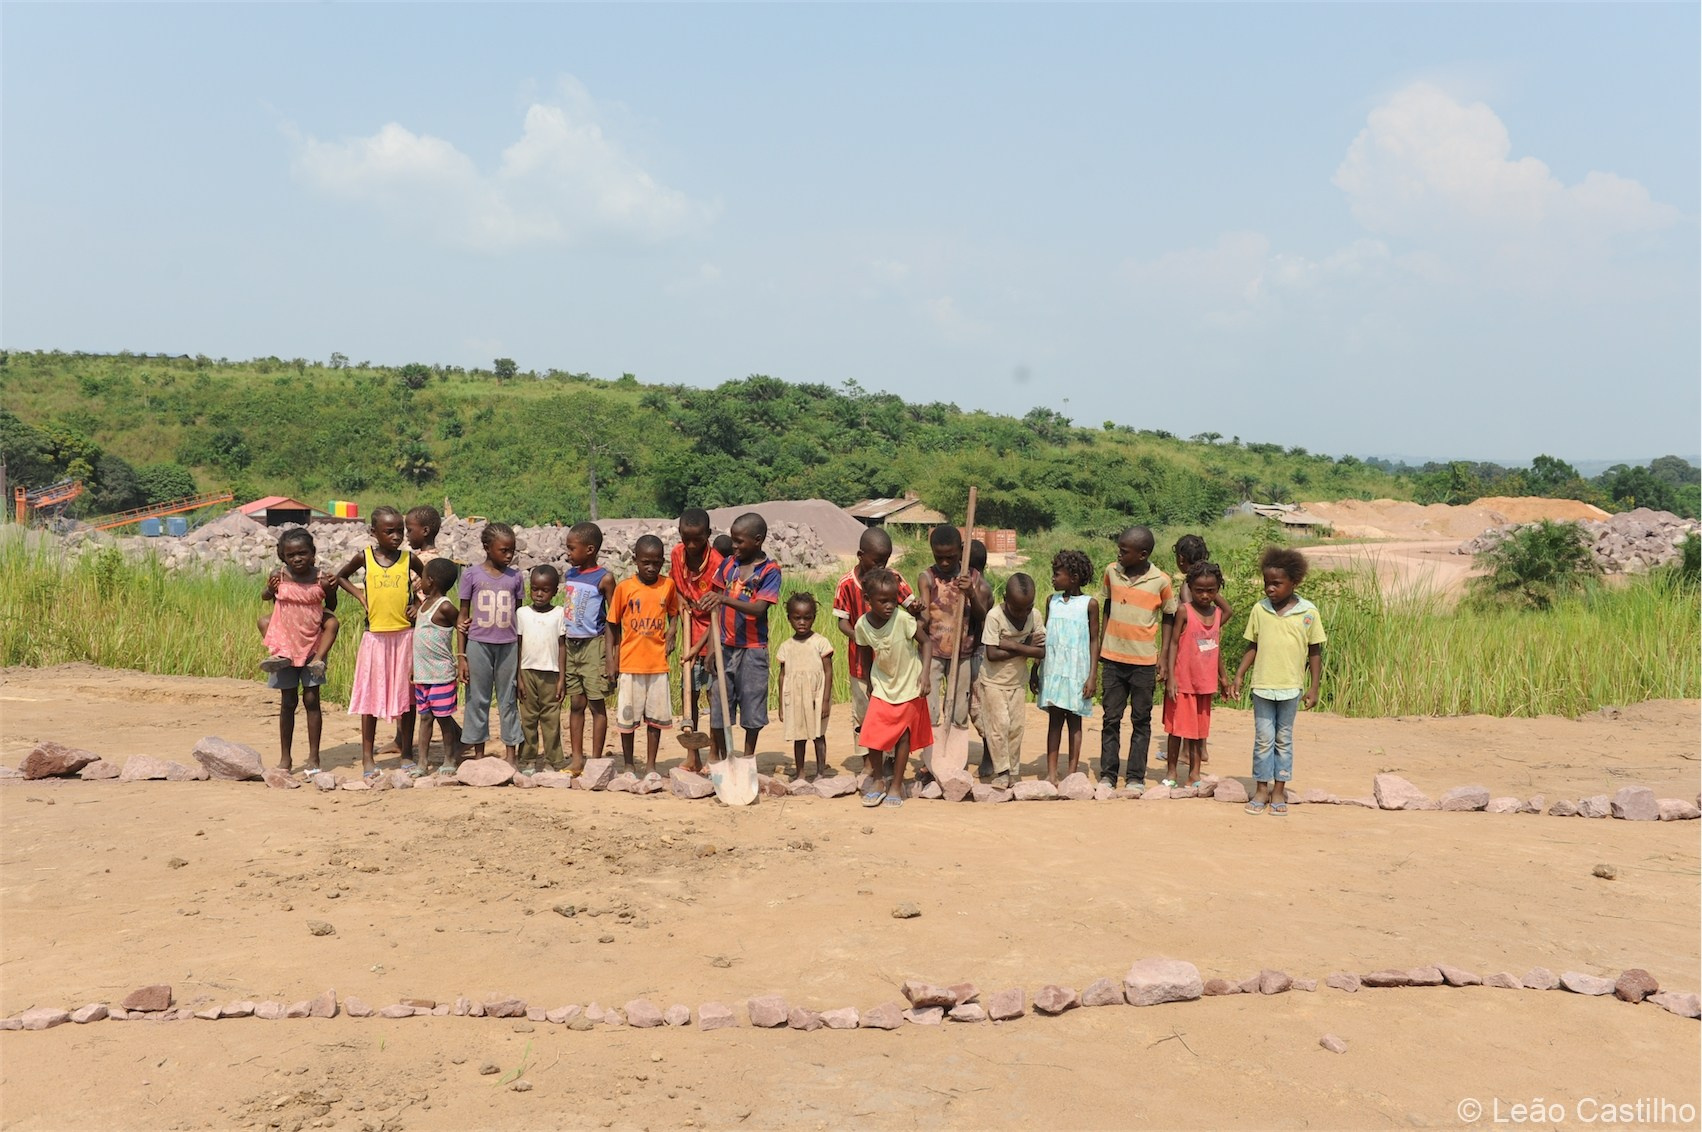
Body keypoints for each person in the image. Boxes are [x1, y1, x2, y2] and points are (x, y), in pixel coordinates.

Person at [1229, 547, 1326, 816]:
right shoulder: (1260, 610)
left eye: (1276, 583)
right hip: (1262, 686)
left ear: (1294, 583)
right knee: (1263, 739)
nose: (1269, 589)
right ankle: (1261, 788)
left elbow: (1315, 651)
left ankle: (1279, 789)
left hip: (1290, 688)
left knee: (1283, 739)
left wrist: (1314, 686)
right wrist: (1239, 675)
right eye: (1266, 583)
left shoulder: (1308, 613)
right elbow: (1252, 645)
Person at [333, 506, 421, 776]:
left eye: (400, 531)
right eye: (389, 531)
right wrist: (361, 597)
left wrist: (418, 604)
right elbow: (340, 576)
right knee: (370, 698)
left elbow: (431, 581)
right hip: (375, 637)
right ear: (374, 533)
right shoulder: (365, 557)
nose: (396, 537)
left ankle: (407, 752)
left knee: (408, 698)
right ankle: (367, 758)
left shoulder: (409, 559)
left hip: (405, 635)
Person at [1093, 526, 1176, 794]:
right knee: (1111, 718)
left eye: (1124, 550)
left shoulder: (1161, 581)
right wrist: (1104, 641)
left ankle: (1135, 777)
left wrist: (1163, 657)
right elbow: (1107, 605)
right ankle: (1108, 774)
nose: (1119, 553)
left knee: (1141, 720)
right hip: (1113, 659)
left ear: (1142, 555)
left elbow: (1169, 616)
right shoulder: (1111, 572)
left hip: (1143, 661)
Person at [699, 512, 782, 761]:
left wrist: (725, 598)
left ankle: (747, 757)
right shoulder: (728, 565)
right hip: (725, 646)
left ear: (757, 540)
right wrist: (712, 649)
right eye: (733, 541)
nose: (733, 546)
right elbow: (715, 609)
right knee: (719, 703)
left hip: (753, 649)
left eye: (739, 541)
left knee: (752, 706)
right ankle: (717, 755)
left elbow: (759, 608)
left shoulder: (769, 571)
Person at [832, 526, 915, 773]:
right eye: (877, 561)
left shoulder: (893, 578)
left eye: (886, 560)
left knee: (891, 711)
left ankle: (890, 758)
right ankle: (868, 759)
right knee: (864, 711)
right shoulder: (846, 584)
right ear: (860, 555)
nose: (883, 565)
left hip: (893, 664)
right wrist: (863, 637)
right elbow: (841, 621)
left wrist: (917, 608)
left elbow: (910, 605)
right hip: (860, 663)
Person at [258, 528, 340, 775]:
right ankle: (286, 758)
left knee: (312, 699)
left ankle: (314, 758)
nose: (297, 559)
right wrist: (270, 589)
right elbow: (265, 597)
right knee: (288, 701)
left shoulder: (320, 578)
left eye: (303, 553)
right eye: (291, 555)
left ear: (313, 554)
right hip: (287, 644)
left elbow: (331, 606)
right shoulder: (279, 576)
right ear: (283, 557)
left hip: (311, 643)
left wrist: (332, 589)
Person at [854, 569, 933, 808]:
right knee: (873, 734)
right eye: (882, 601)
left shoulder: (903, 620)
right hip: (883, 684)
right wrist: (869, 680)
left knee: (903, 736)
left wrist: (925, 674)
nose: (890, 606)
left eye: (893, 600)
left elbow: (927, 643)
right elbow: (864, 651)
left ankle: (896, 785)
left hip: (909, 684)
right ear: (868, 600)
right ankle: (878, 780)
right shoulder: (862, 625)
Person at [609, 534, 680, 778]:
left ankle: (651, 765)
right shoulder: (624, 588)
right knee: (627, 719)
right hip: (630, 663)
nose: (651, 568)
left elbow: (675, 612)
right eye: (645, 562)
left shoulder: (667, 586)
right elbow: (612, 624)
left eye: (656, 563)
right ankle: (629, 764)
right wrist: (612, 659)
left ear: (662, 562)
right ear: (636, 560)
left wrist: (672, 631)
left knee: (655, 720)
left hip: (657, 664)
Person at [380, 504, 447, 759]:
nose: (406, 534)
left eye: (410, 529)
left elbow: (429, 593)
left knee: (415, 688)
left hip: (419, 629)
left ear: (426, 530)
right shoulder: (425, 557)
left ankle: (453, 735)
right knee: (407, 686)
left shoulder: (427, 561)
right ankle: (400, 738)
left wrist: (417, 608)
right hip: (411, 626)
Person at [1161, 534, 1232, 773]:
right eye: (1200, 590)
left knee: (1196, 720)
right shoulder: (1195, 599)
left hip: (1200, 667)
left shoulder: (1188, 590)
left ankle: (1190, 758)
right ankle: (1192, 757)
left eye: (1210, 591)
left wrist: (1207, 624)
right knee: (1186, 719)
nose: (1204, 595)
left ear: (1181, 559)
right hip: (1188, 670)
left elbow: (1205, 629)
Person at [456, 522, 525, 760]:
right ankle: (478, 755)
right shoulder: (471, 575)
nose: (509, 555)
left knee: (508, 699)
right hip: (478, 645)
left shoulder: (516, 577)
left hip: (508, 646)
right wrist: (461, 655)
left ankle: (510, 754)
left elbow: (518, 615)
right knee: (477, 699)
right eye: (503, 550)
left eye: (512, 550)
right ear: (487, 547)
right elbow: (462, 616)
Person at [915, 523, 989, 741]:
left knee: (958, 709)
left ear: (962, 551)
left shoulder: (973, 578)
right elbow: (926, 616)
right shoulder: (927, 577)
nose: (945, 562)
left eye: (951, 556)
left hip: (963, 653)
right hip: (933, 653)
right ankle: (932, 758)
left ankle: (956, 754)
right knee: (930, 708)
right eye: (939, 557)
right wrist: (917, 616)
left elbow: (981, 615)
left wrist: (971, 594)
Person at [1037, 549, 1099, 786]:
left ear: (1073, 577)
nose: (1053, 578)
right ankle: (1052, 774)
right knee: (1054, 722)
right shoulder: (1051, 601)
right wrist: (1037, 668)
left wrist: (1092, 676)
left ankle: (1072, 773)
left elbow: (1094, 640)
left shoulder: (1089, 604)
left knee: (1075, 721)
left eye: (1057, 574)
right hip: (1053, 670)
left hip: (1077, 672)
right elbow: (1043, 635)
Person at [977, 573, 1045, 788]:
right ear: (1005, 599)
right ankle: (1002, 771)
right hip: (993, 682)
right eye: (1017, 609)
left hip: (1017, 682)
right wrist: (1027, 646)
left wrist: (1014, 645)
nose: (1023, 613)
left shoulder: (1035, 616)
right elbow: (992, 654)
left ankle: (1013, 770)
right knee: (999, 726)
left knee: (1016, 727)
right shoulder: (994, 617)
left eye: (1028, 608)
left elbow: (1041, 652)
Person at [669, 508, 723, 772]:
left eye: (697, 539)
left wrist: (698, 649)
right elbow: (676, 590)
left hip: (712, 634)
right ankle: (693, 756)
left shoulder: (717, 563)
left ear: (708, 535)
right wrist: (681, 605)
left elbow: (718, 612)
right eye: (686, 538)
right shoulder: (676, 555)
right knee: (689, 690)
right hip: (689, 627)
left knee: (713, 692)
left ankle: (714, 753)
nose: (691, 545)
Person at [561, 522, 617, 773]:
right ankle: (576, 758)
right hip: (572, 645)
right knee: (576, 704)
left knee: (596, 704)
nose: (568, 554)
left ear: (590, 549)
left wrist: (613, 656)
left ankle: (595, 760)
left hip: (594, 645)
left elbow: (614, 620)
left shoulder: (604, 578)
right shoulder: (570, 574)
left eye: (572, 549)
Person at [410, 556, 465, 775]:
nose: (420, 580)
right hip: (423, 674)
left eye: (422, 577)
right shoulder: (425, 605)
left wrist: (462, 656)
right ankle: (422, 763)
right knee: (424, 718)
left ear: (430, 581)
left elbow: (461, 626)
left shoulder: (445, 607)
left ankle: (450, 758)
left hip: (441, 673)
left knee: (443, 718)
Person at [514, 564, 567, 773]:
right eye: (535, 589)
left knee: (551, 718)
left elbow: (562, 646)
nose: (539, 594)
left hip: (551, 673)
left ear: (555, 591)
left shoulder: (559, 613)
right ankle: (528, 759)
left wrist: (562, 677)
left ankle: (554, 759)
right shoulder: (522, 613)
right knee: (528, 717)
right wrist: (518, 676)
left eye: (545, 590)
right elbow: (518, 646)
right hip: (527, 672)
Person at [777, 592, 834, 781]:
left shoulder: (820, 642)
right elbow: (782, 675)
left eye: (807, 618)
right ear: (789, 619)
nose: (802, 622)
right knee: (798, 736)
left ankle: (820, 772)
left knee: (818, 735)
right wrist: (781, 704)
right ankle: (800, 772)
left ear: (813, 618)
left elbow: (828, 672)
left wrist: (825, 700)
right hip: (794, 697)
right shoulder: (786, 646)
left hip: (816, 696)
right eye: (797, 618)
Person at [965, 538, 996, 779]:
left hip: (977, 653)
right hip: (966, 653)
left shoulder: (981, 588)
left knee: (978, 706)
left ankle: (989, 755)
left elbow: (980, 621)